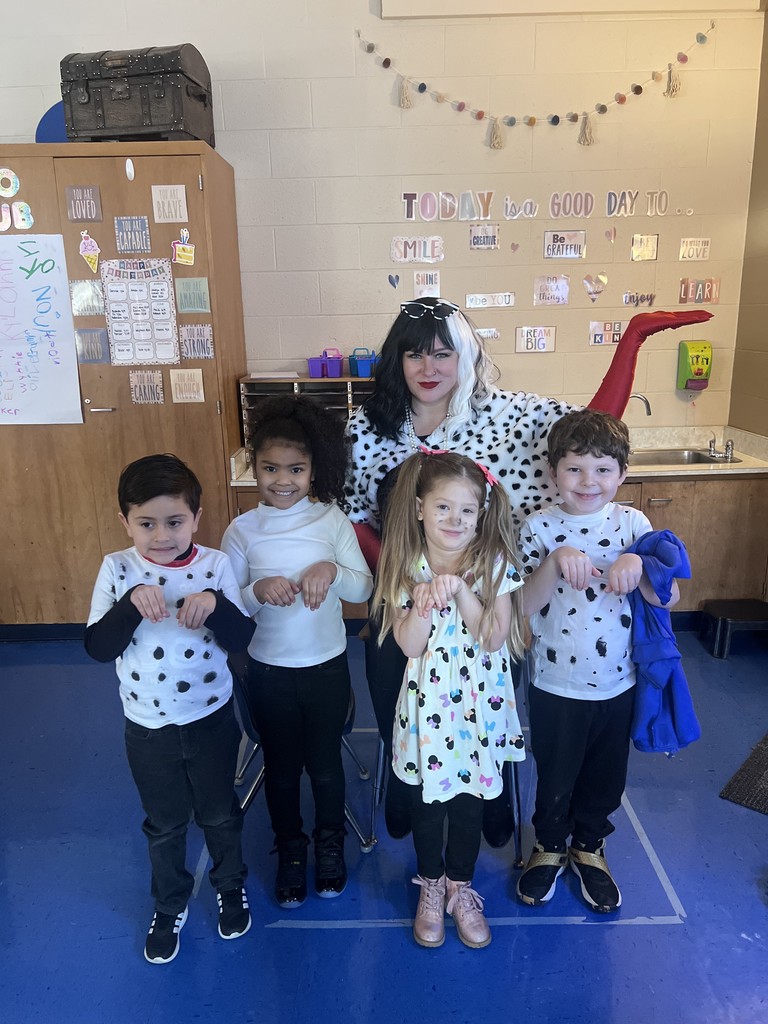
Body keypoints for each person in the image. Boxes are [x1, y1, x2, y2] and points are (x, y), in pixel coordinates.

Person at [345, 297, 711, 847]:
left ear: (464, 357)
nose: (429, 369)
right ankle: (405, 792)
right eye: (413, 354)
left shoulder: (505, 413)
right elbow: (356, 516)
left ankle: (489, 800)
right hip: (406, 598)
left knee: (489, 708)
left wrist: (630, 340)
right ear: (395, 359)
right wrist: (404, 583)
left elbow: (592, 432)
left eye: (443, 354)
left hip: (491, 598)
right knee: (398, 701)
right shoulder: (367, 426)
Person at [85, 454, 255, 965]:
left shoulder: (215, 565)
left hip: (211, 719)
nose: (162, 536)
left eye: (175, 522)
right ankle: (169, 903)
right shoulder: (118, 569)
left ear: (197, 518)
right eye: (146, 523)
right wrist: (130, 603)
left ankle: (229, 886)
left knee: (221, 812)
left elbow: (242, 638)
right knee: (164, 824)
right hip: (148, 727)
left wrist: (215, 604)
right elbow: (97, 646)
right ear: (125, 523)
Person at [515, 409, 680, 913]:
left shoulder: (634, 523)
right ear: (553, 473)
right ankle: (548, 845)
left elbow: (664, 601)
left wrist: (639, 562)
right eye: (575, 469)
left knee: (606, 776)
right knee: (556, 774)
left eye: (603, 469)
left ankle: (589, 845)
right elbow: (521, 603)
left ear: (622, 475)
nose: (589, 481)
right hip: (555, 685)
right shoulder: (539, 525)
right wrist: (554, 560)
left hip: (619, 683)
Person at [221, 396, 373, 910]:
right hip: (269, 671)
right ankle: (290, 850)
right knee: (283, 770)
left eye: (296, 469)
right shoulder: (241, 530)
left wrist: (329, 570)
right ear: (254, 467)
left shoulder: (331, 520)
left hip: (326, 666)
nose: (282, 479)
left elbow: (361, 589)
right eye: (269, 468)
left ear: (314, 470)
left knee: (326, 766)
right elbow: (229, 610)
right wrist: (256, 593)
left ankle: (330, 847)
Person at [373, 451, 526, 948]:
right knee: (426, 805)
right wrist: (421, 602)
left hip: (479, 713)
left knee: (468, 804)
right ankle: (431, 887)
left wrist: (460, 590)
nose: (454, 520)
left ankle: (460, 886)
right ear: (420, 508)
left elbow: (494, 637)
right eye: (443, 508)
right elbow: (410, 645)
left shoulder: (494, 561)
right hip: (426, 712)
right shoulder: (404, 563)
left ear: (481, 512)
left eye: (466, 509)